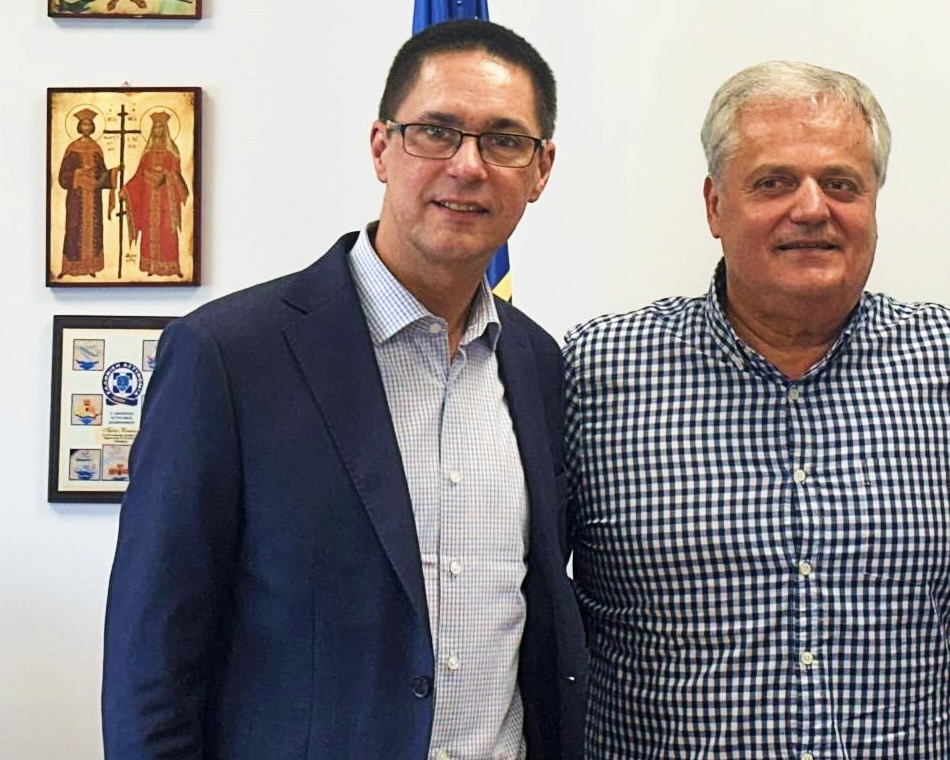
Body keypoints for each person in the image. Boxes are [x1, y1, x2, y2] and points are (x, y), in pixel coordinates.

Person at [102, 19, 586, 760]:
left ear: (541, 169)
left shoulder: (539, 364)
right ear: (381, 147)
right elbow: (152, 663)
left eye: (504, 140)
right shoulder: (228, 357)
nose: (468, 166)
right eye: (436, 132)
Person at [565, 60, 950, 758]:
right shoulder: (594, 372)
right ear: (714, 205)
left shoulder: (941, 363)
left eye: (842, 184)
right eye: (773, 182)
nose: (812, 209)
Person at [119, 111, 190, 277]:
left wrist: (165, 175)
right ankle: (151, 266)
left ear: (165, 129)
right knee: (149, 230)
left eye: (161, 126)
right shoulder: (147, 153)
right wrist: (126, 189)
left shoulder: (172, 152)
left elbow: (177, 175)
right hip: (149, 199)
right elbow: (139, 175)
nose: (158, 130)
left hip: (166, 200)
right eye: (156, 127)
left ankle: (172, 267)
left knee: (168, 232)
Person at [57, 109, 120, 278]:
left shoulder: (96, 148)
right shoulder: (72, 149)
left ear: (93, 127)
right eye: (84, 124)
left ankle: (91, 266)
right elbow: (63, 177)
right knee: (73, 229)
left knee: (94, 230)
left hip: (93, 196)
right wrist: (79, 172)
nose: (87, 127)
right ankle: (70, 267)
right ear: (79, 126)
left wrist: (114, 172)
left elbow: (102, 175)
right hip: (76, 197)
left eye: (89, 124)